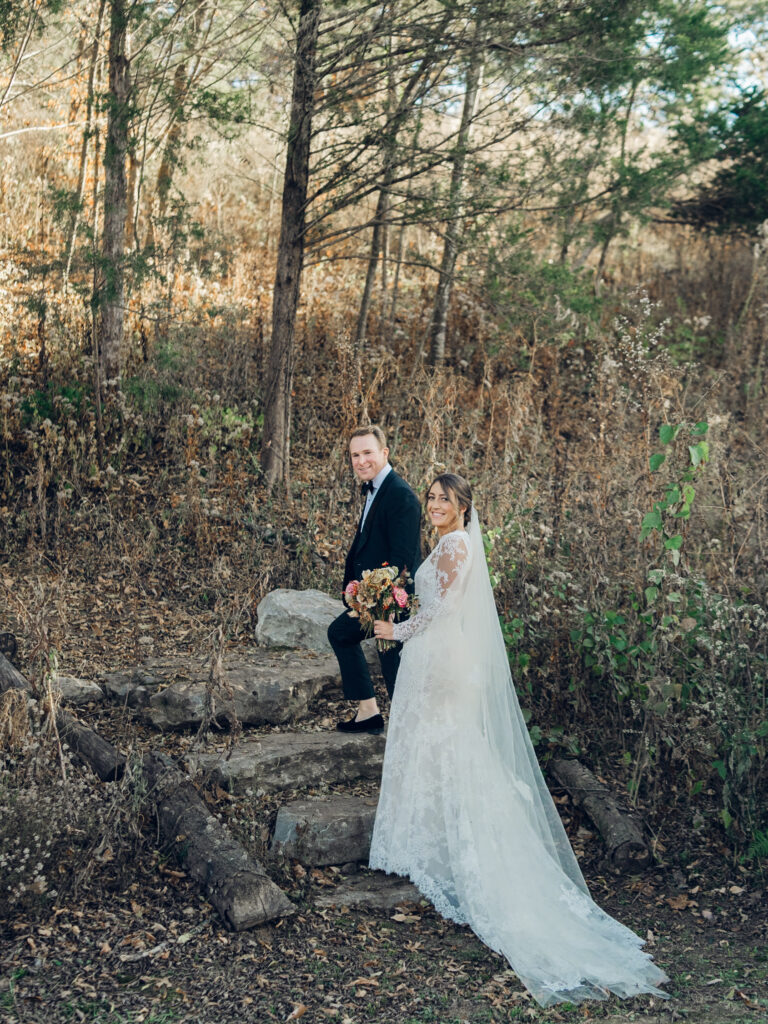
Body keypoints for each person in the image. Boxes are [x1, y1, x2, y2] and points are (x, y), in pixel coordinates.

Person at [370, 473, 669, 1008]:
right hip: (430, 655)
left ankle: (462, 852)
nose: (436, 505)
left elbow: (442, 612)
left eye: (446, 499)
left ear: (464, 506)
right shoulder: (441, 543)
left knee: (451, 749)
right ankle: (427, 842)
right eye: (433, 499)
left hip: (442, 659)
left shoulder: (458, 545)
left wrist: (398, 631)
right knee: (438, 749)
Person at [327, 425, 422, 734]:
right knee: (342, 634)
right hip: (372, 597)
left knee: (392, 660)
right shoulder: (373, 488)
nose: (361, 460)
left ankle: (408, 732)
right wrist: (354, 589)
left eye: (367, 452)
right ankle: (368, 711)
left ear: (384, 453)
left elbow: (403, 560)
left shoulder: (401, 496)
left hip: (393, 600)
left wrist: (380, 601)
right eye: (355, 455)